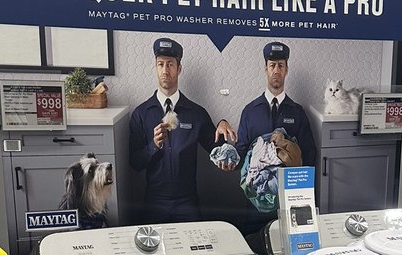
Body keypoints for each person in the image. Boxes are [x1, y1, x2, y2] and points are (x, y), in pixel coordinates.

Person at [129, 37, 236, 223]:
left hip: (187, 202)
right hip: (154, 202)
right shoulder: (141, 114)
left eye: (170, 64)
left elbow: (216, 148)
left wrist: (223, 122)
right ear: (155, 67)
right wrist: (153, 145)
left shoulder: (197, 113)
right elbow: (135, 163)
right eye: (160, 64)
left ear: (179, 69)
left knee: (197, 250)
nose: (165, 70)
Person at [233, 41, 318, 243]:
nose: (276, 71)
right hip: (256, 203)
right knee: (255, 252)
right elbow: (241, 152)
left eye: (280, 65)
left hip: (288, 205)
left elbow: (309, 156)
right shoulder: (250, 111)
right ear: (265, 68)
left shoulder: (297, 112)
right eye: (272, 65)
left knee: (287, 253)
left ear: (286, 69)